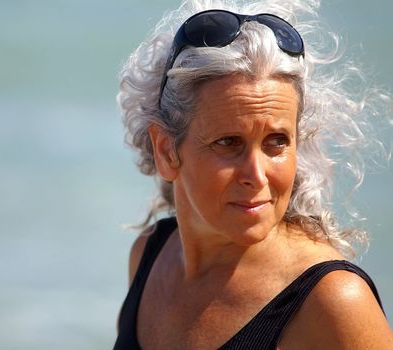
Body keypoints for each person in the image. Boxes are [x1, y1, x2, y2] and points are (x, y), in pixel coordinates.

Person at [113, 0, 393, 349]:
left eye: (276, 142)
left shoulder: (332, 303)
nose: (257, 176)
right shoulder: (150, 255)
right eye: (228, 142)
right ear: (167, 151)